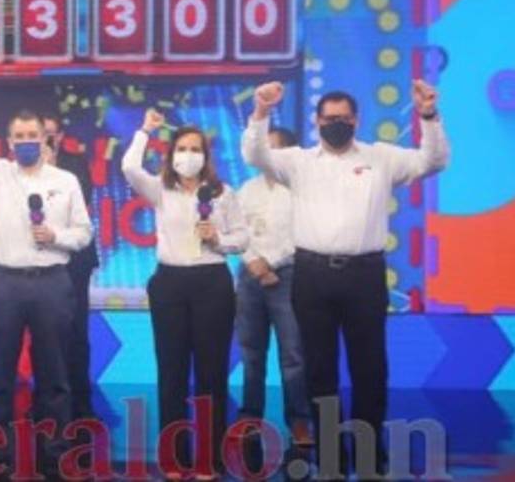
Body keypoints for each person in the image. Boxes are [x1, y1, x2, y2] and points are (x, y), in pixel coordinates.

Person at [242, 82, 449, 478]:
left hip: (364, 275)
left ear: (356, 120)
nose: (335, 124)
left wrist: (428, 115)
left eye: (343, 118)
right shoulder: (298, 161)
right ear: (317, 122)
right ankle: (331, 457)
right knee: (319, 370)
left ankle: (369, 456)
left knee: (370, 369)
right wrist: (261, 111)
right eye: (328, 119)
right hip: (312, 275)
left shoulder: (381, 157)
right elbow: (254, 153)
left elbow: (433, 161)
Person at [0, 73, 94, 475]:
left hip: (52, 283)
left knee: (54, 374)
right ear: (9, 141)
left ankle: (55, 450)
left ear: (45, 138)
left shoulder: (66, 181)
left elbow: (84, 233)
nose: (26, 141)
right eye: (19, 136)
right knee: (2, 374)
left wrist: (56, 237)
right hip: (5, 284)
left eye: (33, 135)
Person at [121, 108, 247, 480]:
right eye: (182, 149)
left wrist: (218, 239)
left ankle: (209, 458)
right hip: (170, 284)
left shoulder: (223, 193)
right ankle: (174, 457)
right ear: (171, 154)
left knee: (211, 373)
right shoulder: (161, 189)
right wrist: (145, 130)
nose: (188, 155)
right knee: (172, 372)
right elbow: (129, 167)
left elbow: (243, 237)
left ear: (205, 156)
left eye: (195, 149)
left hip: (212, 282)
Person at [235, 126, 313, 448]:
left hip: (288, 275)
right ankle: (250, 418)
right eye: (263, 147)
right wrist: (254, 261)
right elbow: (236, 231)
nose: (266, 154)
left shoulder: (301, 191)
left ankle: (299, 421)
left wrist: (270, 263)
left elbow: (304, 234)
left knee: (293, 354)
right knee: (251, 352)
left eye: (274, 148)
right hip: (249, 277)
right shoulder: (247, 190)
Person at [42, 114, 100, 423]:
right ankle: (46, 403)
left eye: (51, 135)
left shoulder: (75, 164)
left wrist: (51, 168)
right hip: (39, 260)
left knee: (77, 332)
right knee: (44, 334)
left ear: (61, 136)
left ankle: (81, 405)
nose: (46, 140)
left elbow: (81, 201)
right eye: (42, 134)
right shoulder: (21, 170)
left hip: (75, 261)